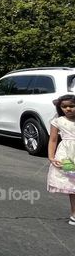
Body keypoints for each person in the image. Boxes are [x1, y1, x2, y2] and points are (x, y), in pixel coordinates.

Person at [47, 93, 75, 225]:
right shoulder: (58, 121)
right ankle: (74, 214)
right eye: (64, 106)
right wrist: (51, 157)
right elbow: (53, 140)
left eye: (72, 106)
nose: (68, 109)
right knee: (72, 186)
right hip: (66, 157)